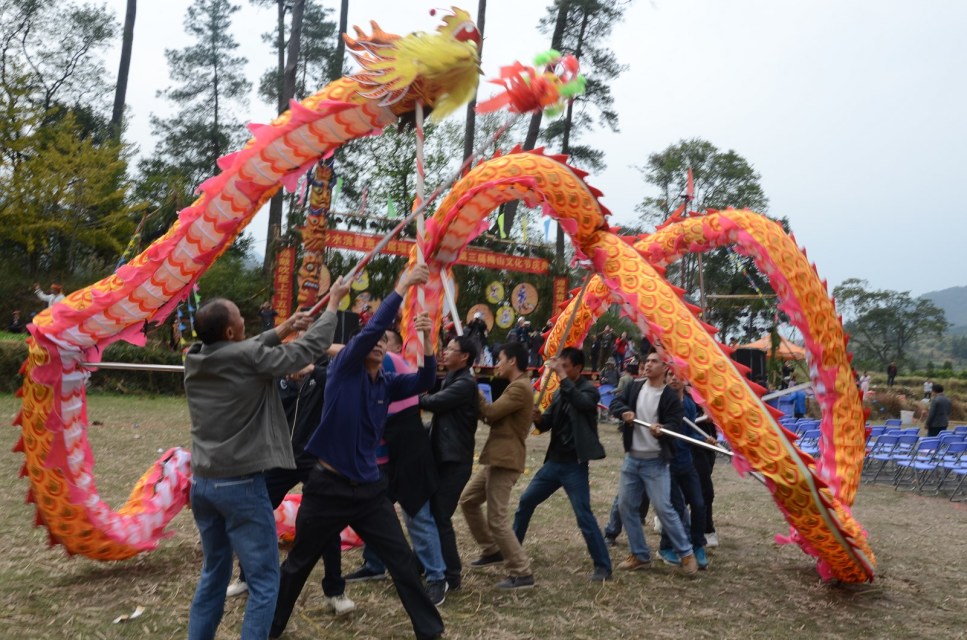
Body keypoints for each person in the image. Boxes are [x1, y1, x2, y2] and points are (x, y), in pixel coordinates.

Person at [272, 265, 443, 640]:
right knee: (298, 564)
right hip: (327, 488)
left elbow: (426, 381)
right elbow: (367, 334)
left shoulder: (388, 381)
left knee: (401, 562)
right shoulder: (344, 370)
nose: (379, 343)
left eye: (385, 341)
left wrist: (428, 342)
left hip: (369, 493)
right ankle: (269, 628)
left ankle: (430, 631)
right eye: (373, 340)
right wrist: (400, 287)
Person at [183, 274, 350, 640]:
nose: (245, 320)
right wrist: (333, 304)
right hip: (240, 486)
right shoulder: (245, 356)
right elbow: (306, 351)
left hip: (203, 485)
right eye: (239, 318)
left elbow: (246, 349)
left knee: (214, 572)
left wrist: (284, 326)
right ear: (229, 333)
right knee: (264, 582)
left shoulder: (195, 358)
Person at [224, 351, 354, 616]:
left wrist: (310, 369)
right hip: (280, 457)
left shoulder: (328, 369)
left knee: (326, 523)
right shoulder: (278, 373)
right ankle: (246, 577)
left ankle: (334, 591)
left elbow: (344, 376)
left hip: (315, 459)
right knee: (255, 515)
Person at [344, 329, 449, 607]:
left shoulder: (389, 361)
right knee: (371, 512)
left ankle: (437, 577)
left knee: (417, 515)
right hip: (383, 455)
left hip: (408, 451)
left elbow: (346, 356)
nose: (376, 344)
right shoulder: (370, 372)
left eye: (381, 340)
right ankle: (375, 563)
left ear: (391, 345)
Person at [513, 347, 612, 584]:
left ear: (578, 368)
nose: (560, 371)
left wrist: (563, 378)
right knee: (526, 501)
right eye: (561, 366)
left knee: (583, 515)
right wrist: (538, 417)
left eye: (566, 366)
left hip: (574, 466)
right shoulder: (559, 392)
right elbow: (548, 423)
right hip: (554, 463)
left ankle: (603, 566)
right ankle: (512, 551)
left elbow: (581, 403)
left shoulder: (590, 391)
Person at [609, 350, 698, 576]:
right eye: (646, 361)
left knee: (664, 508)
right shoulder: (634, 387)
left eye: (653, 361)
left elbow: (675, 425)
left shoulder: (669, 397)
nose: (648, 365)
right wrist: (625, 412)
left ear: (664, 367)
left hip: (656, 463)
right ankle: (639, 554)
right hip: (632, 459)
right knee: (626, 506)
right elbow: (615, 404)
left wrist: (663, 430)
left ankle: (686, 553)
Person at [460, 341, 534, 588]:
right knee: (469, 500)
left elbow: (490, 414)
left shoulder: (520, 388)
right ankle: (491, 550)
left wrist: (474, 388)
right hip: (497, 457)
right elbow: (493, 417)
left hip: (506, 459)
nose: (497, 364)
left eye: (500, 358)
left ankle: (521, 572)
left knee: (497, 518)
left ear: (512, 361)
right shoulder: (516, 386)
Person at [419, 334, 480, 592]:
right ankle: (427, 563)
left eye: (451, 349)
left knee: (440, 516)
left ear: (464, 356)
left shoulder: (466, 383)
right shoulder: (453, 378)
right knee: (432, 515)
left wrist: (406, 399)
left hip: (455, 461)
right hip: (443, 457)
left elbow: (434, 403)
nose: (446, 352)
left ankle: (452, 575)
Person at [661, 372, 710, 570]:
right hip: (667, 464)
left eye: (678, 375)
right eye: (670, 375)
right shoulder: (662, 402)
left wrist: (703, 440)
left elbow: (688, 435)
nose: (674, 378)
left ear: (685, 379)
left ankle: (698, 545)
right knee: (676, 507)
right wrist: (701, 441)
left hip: (686, 463)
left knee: (699, 504)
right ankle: (666, 547)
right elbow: (671, 435)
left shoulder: (689, 404)